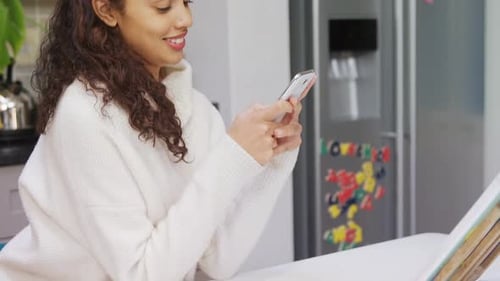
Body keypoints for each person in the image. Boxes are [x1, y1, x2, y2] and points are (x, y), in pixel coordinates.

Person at [0, 0, 309, 280]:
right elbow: (143, 274)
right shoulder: (83, 115)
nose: (185, 18)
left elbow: (219, 262)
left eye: (186, 2)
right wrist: (231, 157)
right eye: (163, 7)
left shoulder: (197, 111)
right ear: (107, 10)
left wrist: (273, 160)